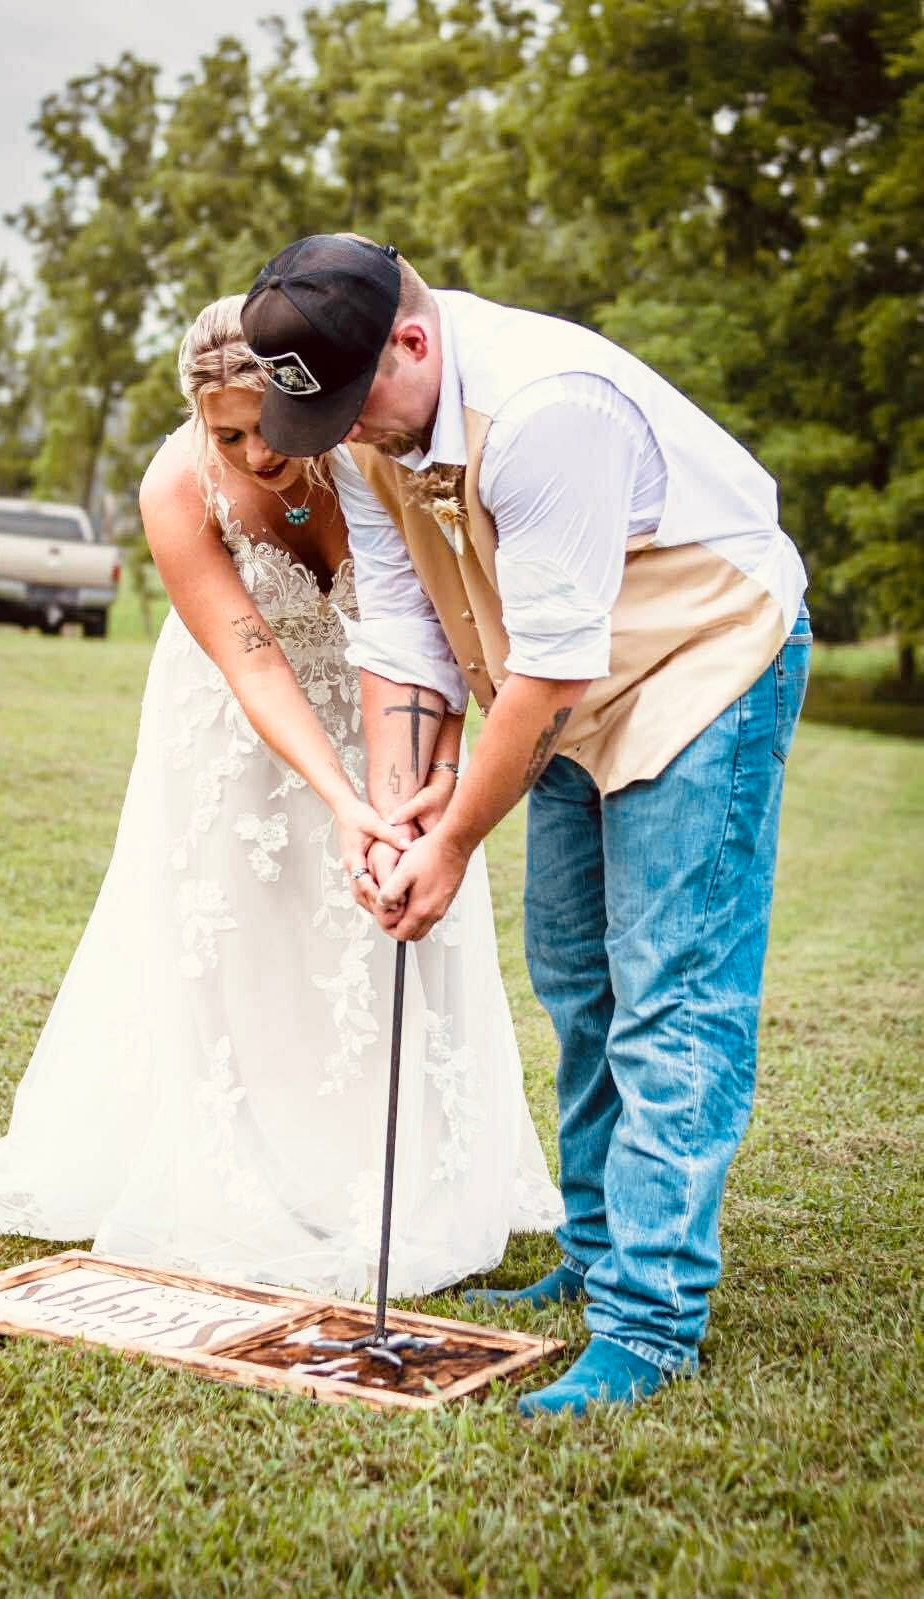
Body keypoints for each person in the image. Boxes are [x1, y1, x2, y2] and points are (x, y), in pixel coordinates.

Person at [240, 235, 811, 1413]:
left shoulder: (548, 411)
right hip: (550, 678)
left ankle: (649, 1322)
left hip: (700, 665)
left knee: (671, 987)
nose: (348, 436)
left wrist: (453, 844)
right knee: (574, 978)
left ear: (414, 338)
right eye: (325, 418)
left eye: (355, 405)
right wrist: (403, 813)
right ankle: (594, 1256)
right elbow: (401, 624)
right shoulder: (363, 425)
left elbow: (552, 672)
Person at [0, 295, 562, 1300]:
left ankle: (387, 1176)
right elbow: (250, 661)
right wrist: (340, 798)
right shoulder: (177, 485)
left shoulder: (379, 452)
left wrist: (430, 780)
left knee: (383, 926)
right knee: (242, 933)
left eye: (265, 427)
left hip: (394, 705)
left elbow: (454, 628)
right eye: (224, 432)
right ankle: (251, 1170)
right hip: (235, 725)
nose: (250, 453)